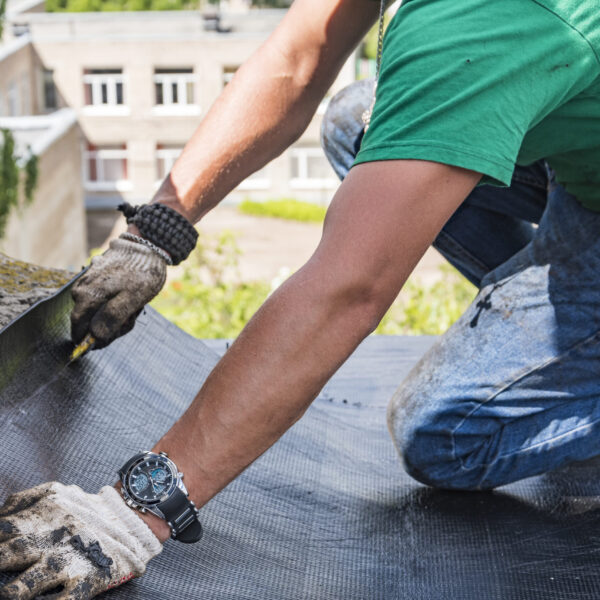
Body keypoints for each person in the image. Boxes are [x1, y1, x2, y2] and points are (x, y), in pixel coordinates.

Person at [2, 0, 600, 597]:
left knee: (445, 435)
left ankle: (574, 346)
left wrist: (133, 513)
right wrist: (156, 232)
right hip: (574, 156)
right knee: (359, 121)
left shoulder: (488, 20)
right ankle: (564, 335)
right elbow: (295, 59)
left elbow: (349, 289)